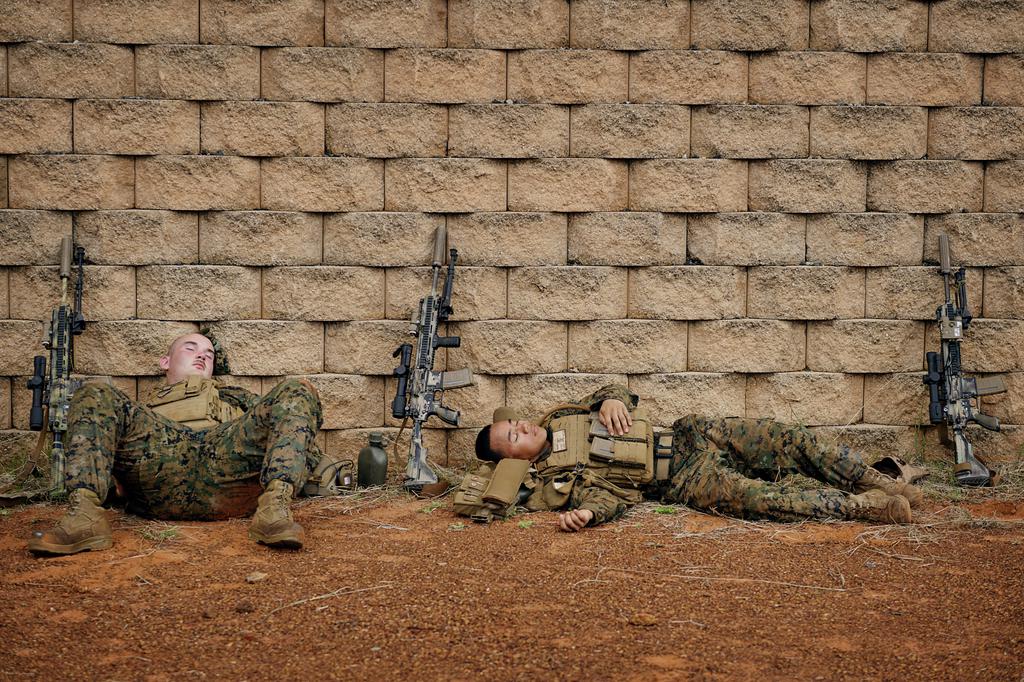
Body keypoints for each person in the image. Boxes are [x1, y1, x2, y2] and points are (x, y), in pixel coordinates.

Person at [459, 385, 923, 532]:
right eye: (512, 439)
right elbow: (612, 496)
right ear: (514, 461)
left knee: (788, 438)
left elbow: (616, 392)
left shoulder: (561, 415)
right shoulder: (558, 480)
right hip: (683, 478)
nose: (521, 429)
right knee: (765, 500)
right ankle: (871, 509)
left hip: (690, 434)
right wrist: (587, 514)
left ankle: (877, 482)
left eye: (514, 423)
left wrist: (612, 399)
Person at [27, 332, 324, 555]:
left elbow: (295, 431)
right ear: (165, 362)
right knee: (94, 392)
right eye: (191, 347)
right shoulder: (137, 413)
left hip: (227, 468)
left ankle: (275, 510)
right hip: (158, 469)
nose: (202, 355)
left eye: (209, 353)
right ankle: (83, 515)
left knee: (298, 390)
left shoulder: (237, 399)